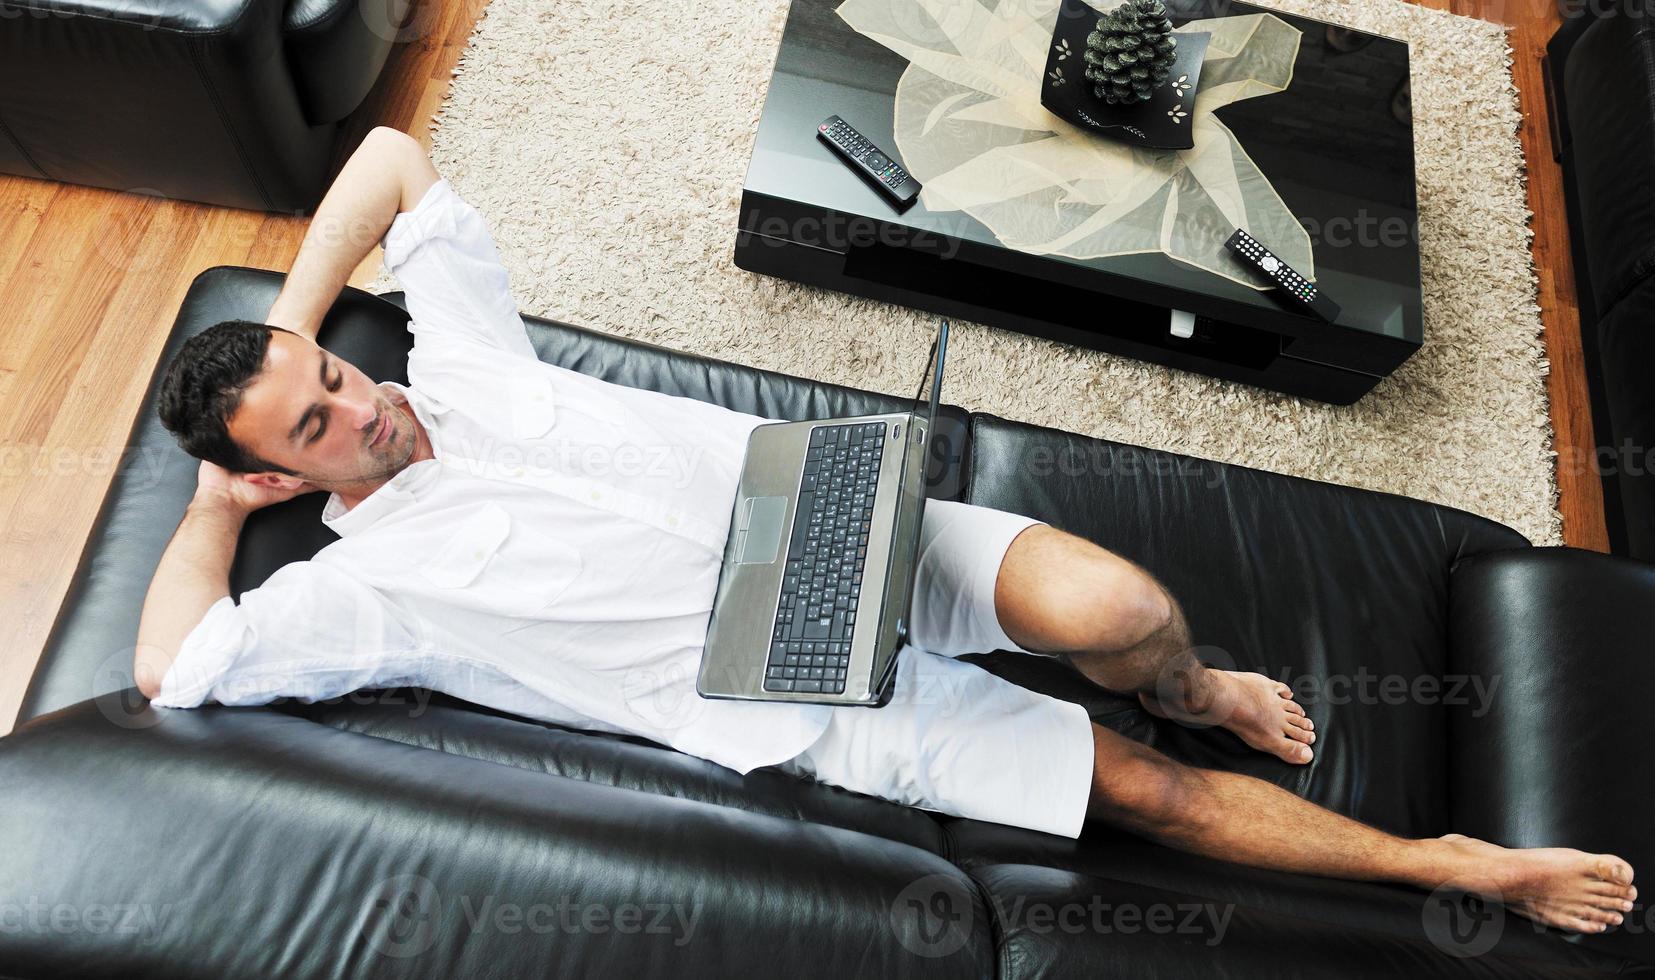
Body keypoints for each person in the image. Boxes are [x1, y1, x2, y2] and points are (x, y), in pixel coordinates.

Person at [138, 127, 1634, 935]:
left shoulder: (455, 361)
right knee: (1154, 802)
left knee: (1121, 608)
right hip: (790, 693)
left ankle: (1197, 684)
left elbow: (394, 157)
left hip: (842, 519)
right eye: (317, 428)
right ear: (280, 477)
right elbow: (177, 670)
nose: (362, 408)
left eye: (340, 377)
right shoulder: (369, 587)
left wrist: (281, 334)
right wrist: (216, 503)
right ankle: (1446, 864)